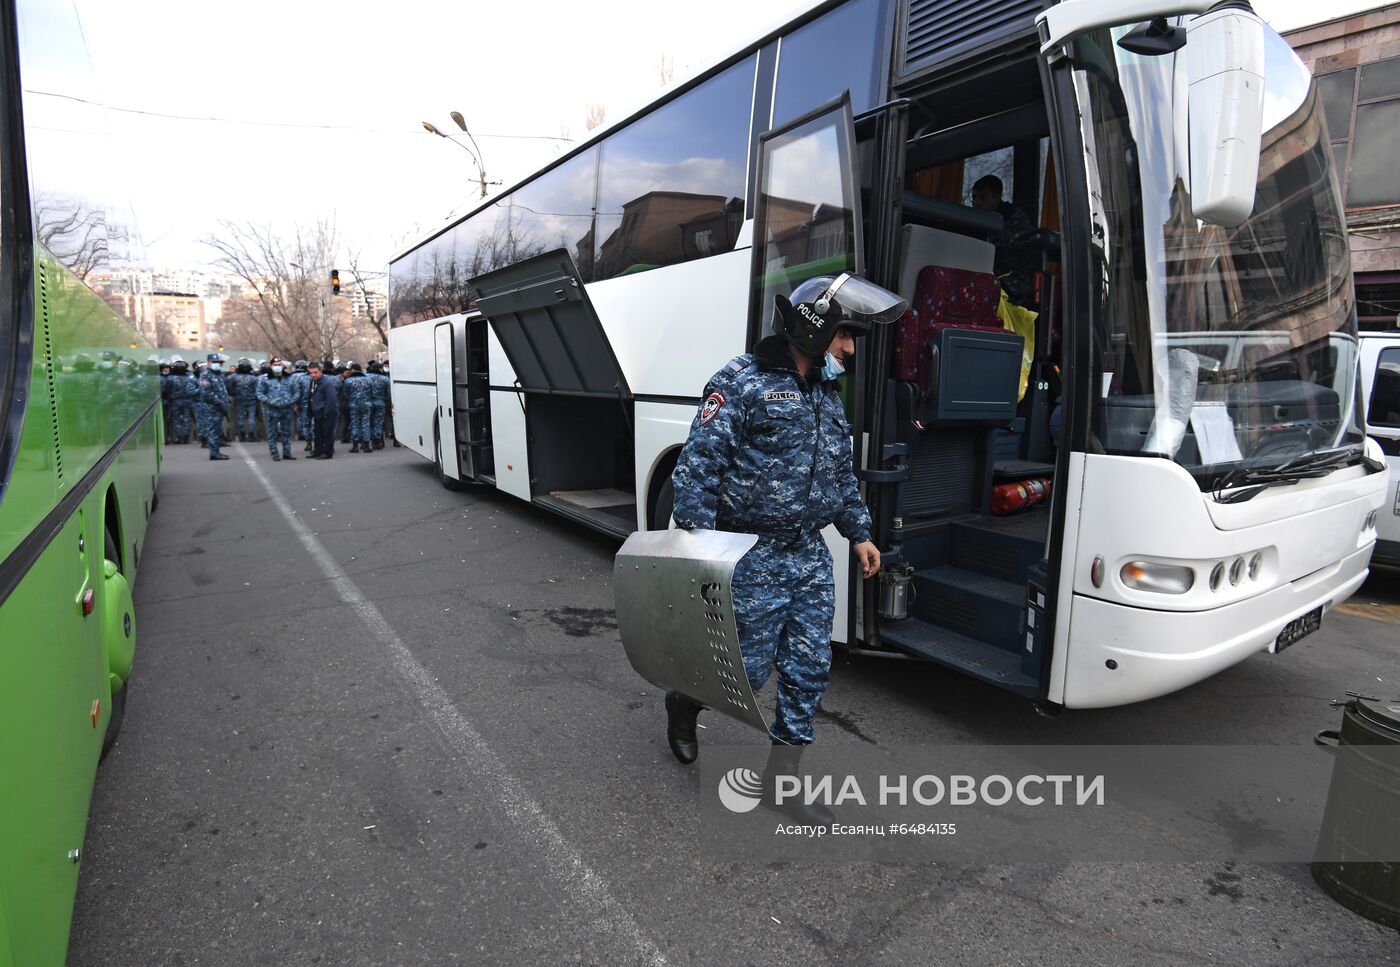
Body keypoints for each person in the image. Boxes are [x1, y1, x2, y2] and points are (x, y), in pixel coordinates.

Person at [665, 272, 905, 820]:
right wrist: (702, 551)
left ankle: (783, 781)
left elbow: (838, 474)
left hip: (808, 555)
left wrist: (859, 532)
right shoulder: (742, 383)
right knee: (744, 670)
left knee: (809, 667)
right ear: (815, 328)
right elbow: (697, 470)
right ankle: (684, 700)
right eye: (844, 335)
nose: (848, 349)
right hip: (750, 554)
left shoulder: (826, 393)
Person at [969, 174, 1038, 307]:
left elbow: (1023, 259)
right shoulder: (975, 220)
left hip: (1014, 283)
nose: (976, 202)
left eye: (983, 196)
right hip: (987, 277)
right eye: (974, 197)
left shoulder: (1014, 219)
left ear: (997, 197)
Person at [257, 358, 298, 461]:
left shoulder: (290, 378)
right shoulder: (265, 379)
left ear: (282, 366)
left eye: (279, 364)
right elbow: (259, 393)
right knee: (272, 432)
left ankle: (287, 453)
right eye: (275, 364)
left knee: (287, 432)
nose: (277, 366)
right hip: (272, 409)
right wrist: (268, 401)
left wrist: (290, 400)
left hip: (286, 408)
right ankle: (274, 453)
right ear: (271, 366)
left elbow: (296, 392)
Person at [197, 353, 231, 460]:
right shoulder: (205, 375)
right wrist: (219, 402)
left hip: (219, 408)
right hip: (212, 408)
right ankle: (214, 453)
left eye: (217, 362)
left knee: (216, 431)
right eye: (213, 362)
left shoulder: (218, 374)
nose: (216, 364)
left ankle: (216, 451)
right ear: (208, 363)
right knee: (213, 431)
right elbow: (206, 393)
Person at [308, 362, 339, 459]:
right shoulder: (313, 382)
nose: (313, 375)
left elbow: (331, 399)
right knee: (318, 433)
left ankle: (328, 453)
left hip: (327, 413)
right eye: (311, 373)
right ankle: (318, 451)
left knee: (327, 434)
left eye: (315, 372)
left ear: (320, 371)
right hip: (318, 412)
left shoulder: (326, 383)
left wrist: (326, 413)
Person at [342, 361, 374, 453]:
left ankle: (355, 446)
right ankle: (366, 445)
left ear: (352, 370)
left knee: (355, 424)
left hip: (353, 405)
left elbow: (345, 394)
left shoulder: (348, 381)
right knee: (366, 424)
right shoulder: (368, 380)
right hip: (366, 404)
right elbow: (372, 392)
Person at [166, 356, 198, 443]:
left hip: (175, 401)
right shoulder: (190, 376)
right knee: (187, 418)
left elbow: (167, 390)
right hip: (188, 400)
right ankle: (186, 437)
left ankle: (179, 437)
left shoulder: (170, 378)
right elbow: (196, 385)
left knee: (176, 419)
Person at [230, 358, 260, 442]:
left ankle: (242, 435)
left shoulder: (233, 377)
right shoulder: (254, 378)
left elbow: (230, 389)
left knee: (240, 417)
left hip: (239, 399)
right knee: (251, 417)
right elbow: (257, 389)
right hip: (252, 399)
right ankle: (251, 435)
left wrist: (235, 394)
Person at [367, 360, 390, 449]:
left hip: (368, 402)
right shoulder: (385, 379)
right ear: (380, 368)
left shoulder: (365, 377)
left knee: (369, 422)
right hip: (380, 403)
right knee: (378, 423)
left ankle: (370, 440)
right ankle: (377, 442)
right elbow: (388, 393)